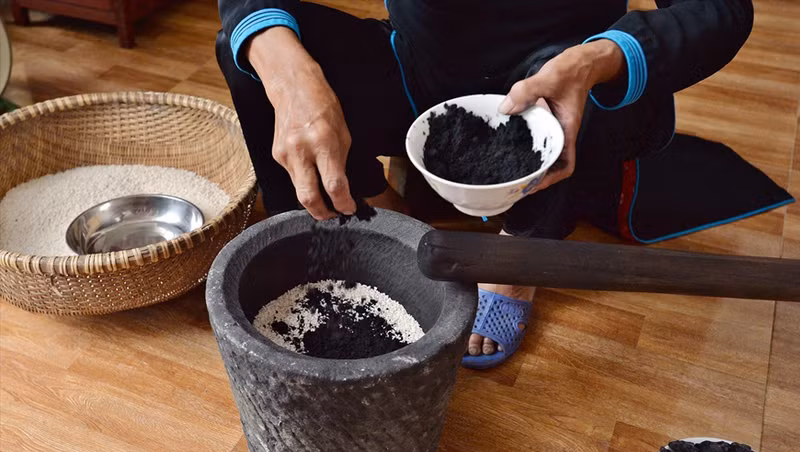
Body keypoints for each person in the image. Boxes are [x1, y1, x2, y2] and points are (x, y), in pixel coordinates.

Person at [216, 0, 754, 369]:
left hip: (560, 77)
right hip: (417, 69)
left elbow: (721, 10)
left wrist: (598, 58)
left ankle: (519, 256)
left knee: (590, 87)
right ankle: (374, 210)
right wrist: (292, 76)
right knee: (251, 47)